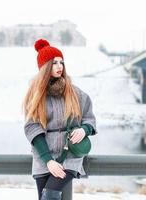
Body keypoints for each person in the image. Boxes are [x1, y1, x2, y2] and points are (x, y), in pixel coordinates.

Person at [23, 39, 97, 200]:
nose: (59, 66)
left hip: (70, 155)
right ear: (45, 67)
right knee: (43, 197)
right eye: (54, 62)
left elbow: (89, 118)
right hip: (44, 157)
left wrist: (84, 130)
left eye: (61, 62)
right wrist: (48, 160)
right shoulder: (35, 96)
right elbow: (33, 129)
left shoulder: (75, 93)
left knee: (49, 195)